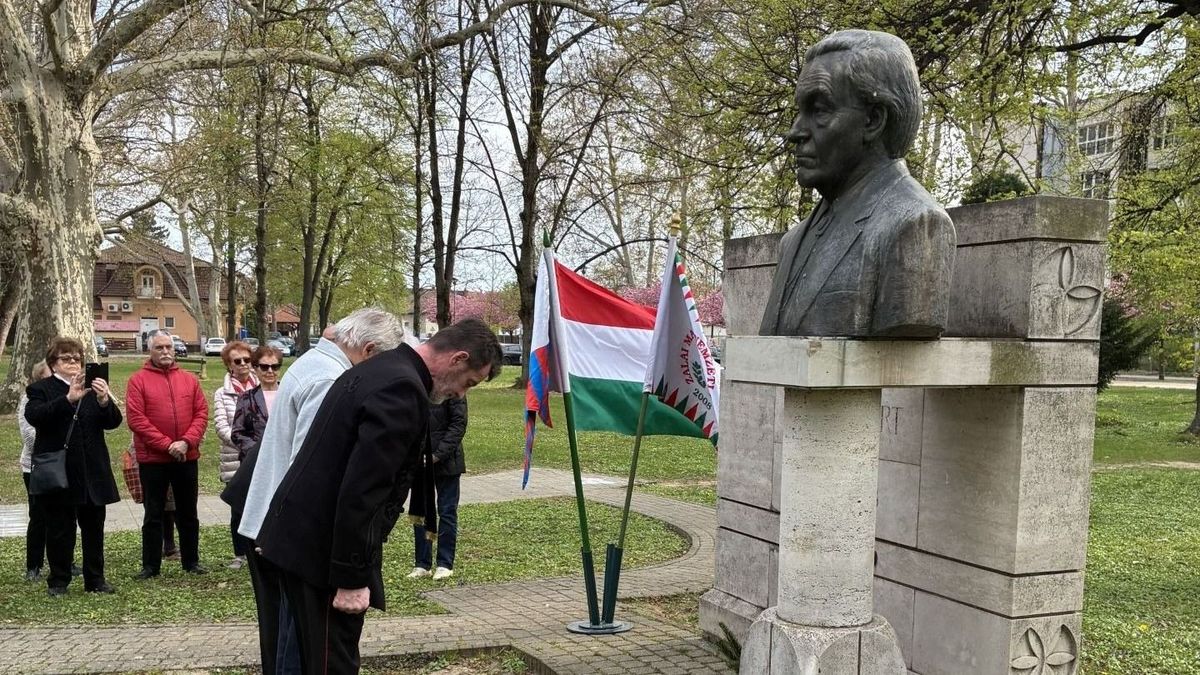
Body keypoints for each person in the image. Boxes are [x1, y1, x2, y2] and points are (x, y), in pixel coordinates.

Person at [255, 318, 502, 674]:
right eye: (468, 383)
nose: (460, 394)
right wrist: (352, 579)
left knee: (302, 660)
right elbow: (363, 491)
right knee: (330, 664)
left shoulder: (380, 368)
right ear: (458, 358)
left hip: (298, 542)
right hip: (322, 555)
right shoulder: (401, 390)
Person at [235, 309, 404, 675]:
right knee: (299, 647)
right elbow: (308, 465)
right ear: (370, 350)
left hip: (273, 522)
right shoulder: (331, 378)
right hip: (286, 531)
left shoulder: (316, 360)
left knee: (286, 639)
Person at [758, 29, 956, 338]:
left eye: (819, 110)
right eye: (800, 111)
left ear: (873, 120)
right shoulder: (792, 242)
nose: (795, 132)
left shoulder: (916, 225)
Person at [23, 337, 123, 596]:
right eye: (65, 358)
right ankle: (58, 581)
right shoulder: (41, 389)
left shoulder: (92, 388)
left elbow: (113, 422)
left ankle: (95, 579)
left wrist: (103, 400)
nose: (72, 363)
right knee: (59, 529)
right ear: (53, 363)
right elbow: (35, 416)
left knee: (94, 528)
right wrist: (67, 399)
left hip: (91, 470)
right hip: (60, 471)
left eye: (77, 358)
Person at [126, 329, 210, 578]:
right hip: (154, 459)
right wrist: (167, 445)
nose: (165, 352)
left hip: (186, 456)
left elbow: (201, 413)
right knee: (153, 513)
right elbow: (137, 420)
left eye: (168, 347)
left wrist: (186, 442)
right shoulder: (137, 380)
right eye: (159, 348)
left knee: (188, 512)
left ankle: (191, 561)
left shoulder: (189, 380)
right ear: (149, 350)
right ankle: (151, 566)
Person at [408, 395, 468, 581]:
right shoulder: (417, 385)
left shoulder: (454, 389)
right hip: (421, 463)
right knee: (421, 512)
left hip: (447, 462)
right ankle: (422, 564)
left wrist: (438, 454)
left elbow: (458, 424)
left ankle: (444, 564)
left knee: (447, 511)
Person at [213, 340, 258, 569]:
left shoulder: (265, 387)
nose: (243, 365)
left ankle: (261, 549)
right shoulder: (222, 394)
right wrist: (245, 443)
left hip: (262, 456)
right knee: (238, 507)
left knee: (262, 504)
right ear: (229, 365)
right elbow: (221, 426)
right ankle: (240, 554)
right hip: (235, 457)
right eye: (237, 361)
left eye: (247, 360)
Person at [18, 360, 52, 581]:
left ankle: (64, 560)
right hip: (35, 466)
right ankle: (34, 565)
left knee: (64, 517)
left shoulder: (66, 397)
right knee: (39, 516)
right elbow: (30, 436)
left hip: (63, 466)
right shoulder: (28, 400)